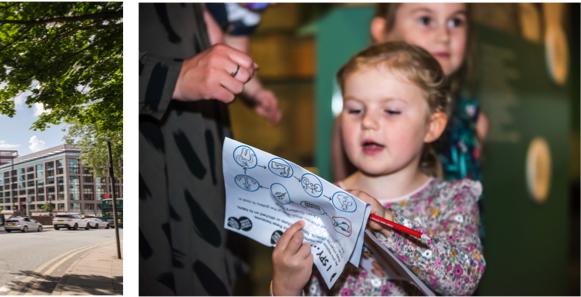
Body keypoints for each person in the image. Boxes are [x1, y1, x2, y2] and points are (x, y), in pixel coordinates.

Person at [270, 41, 484, 297]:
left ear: (431, 127)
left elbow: (463, 280)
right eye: (355, 110)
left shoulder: (453, 199)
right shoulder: (319, 203)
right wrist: (285, 286)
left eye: (391, 111)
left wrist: (387, 224)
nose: (368, 122)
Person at [138, 2, 259, 296]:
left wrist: (258, 93)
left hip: (204, 155)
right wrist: (175, 77)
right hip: (156, 150)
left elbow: (228, 45)